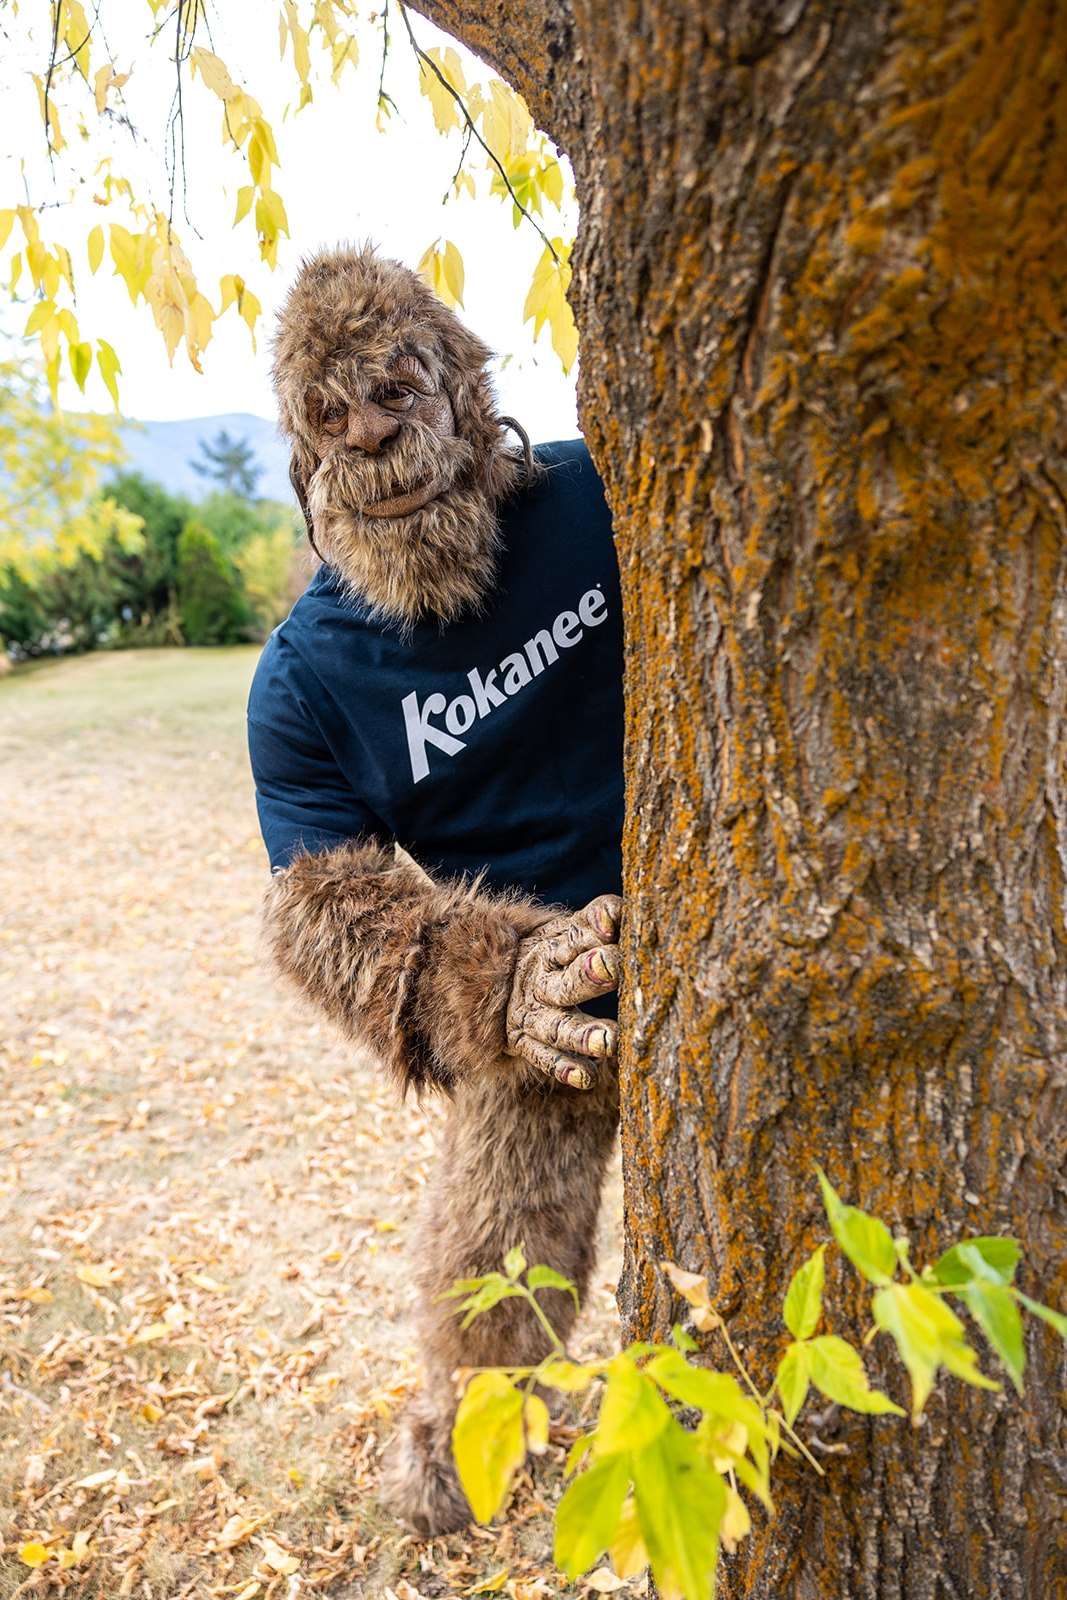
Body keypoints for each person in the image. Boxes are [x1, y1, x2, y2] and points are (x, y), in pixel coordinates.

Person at [247, 244, 624, 1535]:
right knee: (489, 1303)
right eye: (331, 417)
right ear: (303, 456)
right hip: (529, 1010)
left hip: (711, 913)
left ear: (461, 382)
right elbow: (322, 913)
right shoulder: (302, 684)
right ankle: (449, 1482)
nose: (372, 440)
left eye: (396, 391)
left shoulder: (593, 503)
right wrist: (500, 985)